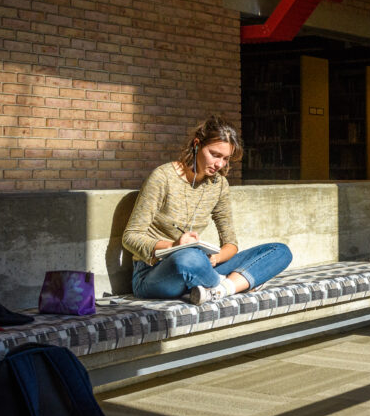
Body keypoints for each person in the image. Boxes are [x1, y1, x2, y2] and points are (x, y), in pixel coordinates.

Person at [122, 115, 292, 304]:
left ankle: (218, 290)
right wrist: (174, 246)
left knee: (280, 251)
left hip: (202, 267)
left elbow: (231, 244)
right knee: (188, 257)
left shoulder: (219, 185)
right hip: (154, 274)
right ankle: (233, 285)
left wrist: (216, 257)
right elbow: (131, 236)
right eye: (215, 154)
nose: (220, 164)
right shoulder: (163, 177)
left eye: (226, 158)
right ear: (197, 145)